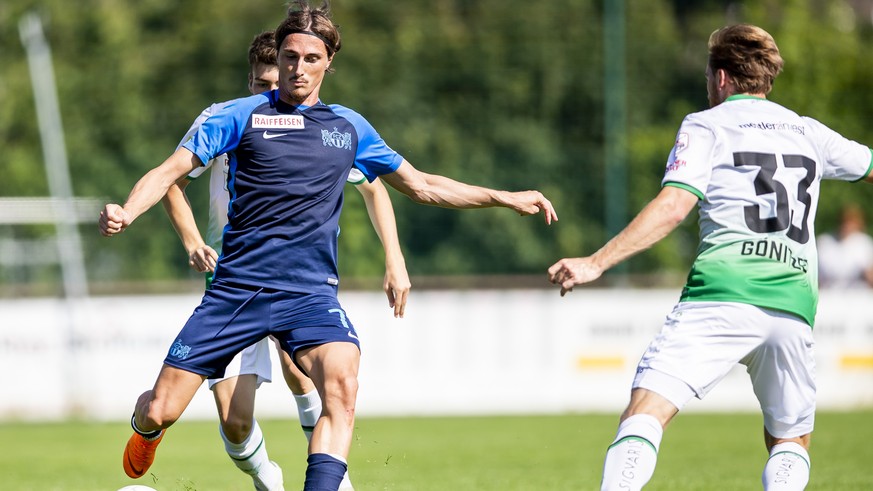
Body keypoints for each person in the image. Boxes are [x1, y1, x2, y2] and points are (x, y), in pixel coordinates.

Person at [99, 2, 557, 490]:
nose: (298, 68)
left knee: (342, 386)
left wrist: (502, 196)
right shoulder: (238, 116)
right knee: (162, 409)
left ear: (329, 62)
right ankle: (145, 428)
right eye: (291, 57)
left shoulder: (349, 128)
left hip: (309, 294)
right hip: (236, 292)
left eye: (311, 58)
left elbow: (421, 185)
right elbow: (169, 173)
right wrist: (128, 210)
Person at [548, 24, 872, 491]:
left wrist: (596, 262)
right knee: (790, 441)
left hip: (722, 295)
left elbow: (674, 205)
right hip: (793, 305)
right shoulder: (808, 132)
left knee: (645, 412)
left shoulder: (706, 124)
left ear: (720, 78)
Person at [160, 30, 409, 490]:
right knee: (234, 422)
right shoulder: (230, 121)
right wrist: (193, 240)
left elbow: (377, 186)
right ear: (251, 80)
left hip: (296, 283)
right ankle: (266, 476)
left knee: (309, 373)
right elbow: (171, 179)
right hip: (233, 282)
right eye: (260, 85)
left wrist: (394, 258)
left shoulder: (322, 130)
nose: (272, 93)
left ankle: (335, 479)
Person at [816, 204, 873, 288]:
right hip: (827, 295)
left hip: (859, 295)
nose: (847, 226)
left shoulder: (864, 243)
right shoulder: (824, 241)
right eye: (845, 221)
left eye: (851, 222)